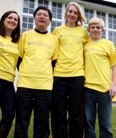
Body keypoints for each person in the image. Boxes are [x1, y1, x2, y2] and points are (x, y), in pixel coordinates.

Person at [14, 6, 59, 138]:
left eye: (45, 15)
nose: (42, 17)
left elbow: (54, 62)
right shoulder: (25, 36)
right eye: (39, 14)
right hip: (24, 84)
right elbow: (19, 58)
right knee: (22, 120)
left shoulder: (54, 39)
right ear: (34, 18)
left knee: (42, 122)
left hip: (45, 86)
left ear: (50, 20)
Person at [51, 2, 89, 138]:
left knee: (76, 113)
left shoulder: (84, 32)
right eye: (70, 11)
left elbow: (92, 46)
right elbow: (51, 50)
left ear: (78, 15)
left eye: (75, 12)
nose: (72, 14)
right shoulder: (57, 31)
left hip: (77, 75)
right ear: (66, 13)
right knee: (59, 112)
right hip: (59, 75)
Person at [84, 17, 116, 138]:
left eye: (98, 27)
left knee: (105, 124)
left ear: (102, 30)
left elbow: (114, 66)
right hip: (87, 88)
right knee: (88, 123)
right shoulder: (85, 44)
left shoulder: (109, 44)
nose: (95, 29)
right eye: (92, 27)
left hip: (105, 90)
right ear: (88, 30)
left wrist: (114, 85)